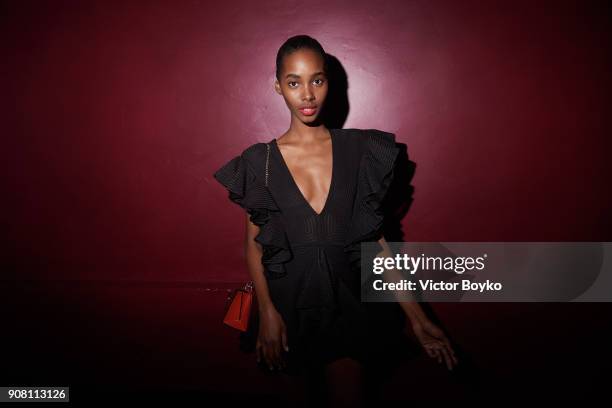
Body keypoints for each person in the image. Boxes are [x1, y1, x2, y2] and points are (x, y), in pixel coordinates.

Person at [213, 34, 458, 407]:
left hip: (348, 304)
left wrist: (418, 318)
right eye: (294, 82)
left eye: (317, 79)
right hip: (290, 307)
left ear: (330, 82)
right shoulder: (258, 161)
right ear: (278, 86)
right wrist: (268, 314)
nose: (307, 94)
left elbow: (375, 246)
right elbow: (254, 245)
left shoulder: (361, 152)